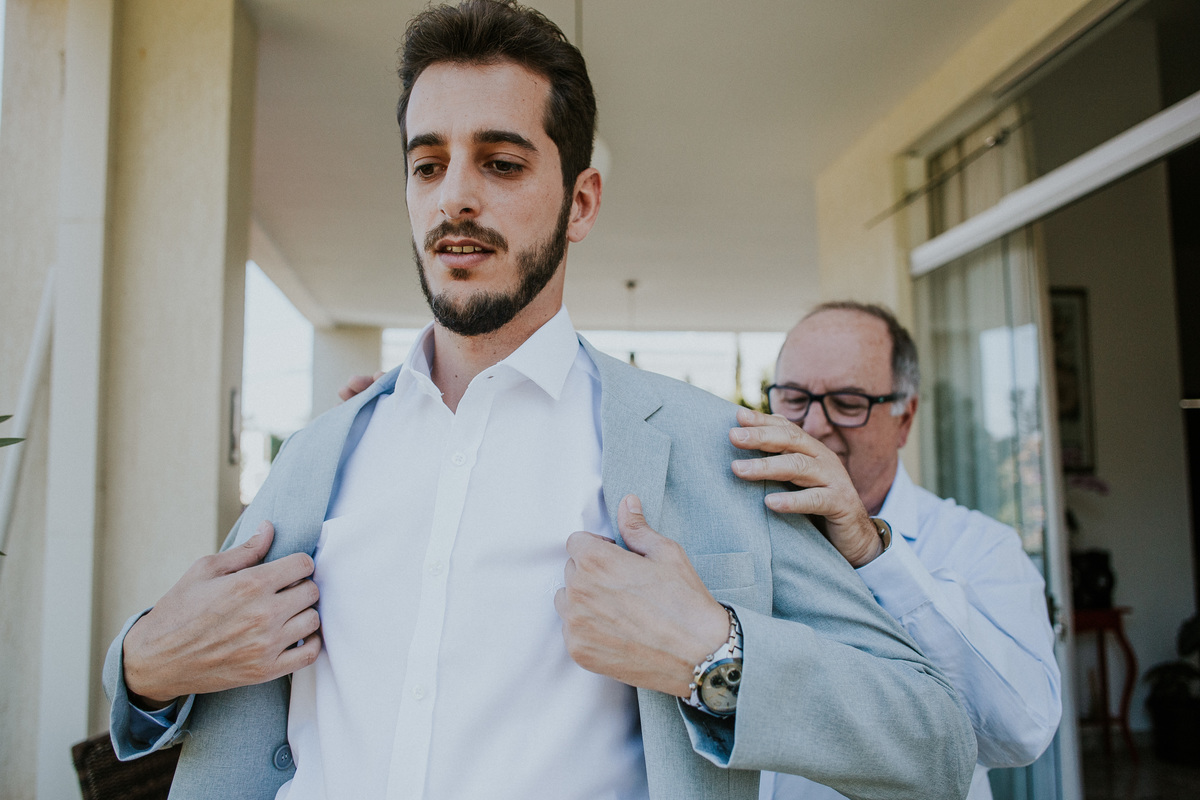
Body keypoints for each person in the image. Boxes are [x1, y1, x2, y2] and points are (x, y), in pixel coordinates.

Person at [102, 4, 976, 799]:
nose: (455, 196)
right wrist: (143, 667)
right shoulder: (317, 454)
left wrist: (714, 657)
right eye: (428, 164)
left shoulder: (712, 449)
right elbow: (185, 682)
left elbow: (934, 737)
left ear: (580, 202)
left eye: (502, 162)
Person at [725, 302, 1061, 800]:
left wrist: (873, 552)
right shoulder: (732, 529)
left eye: (847, 403)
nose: (812, 425)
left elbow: (1021, 733)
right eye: (793, 398)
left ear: (906, 418)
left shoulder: (980, 546)